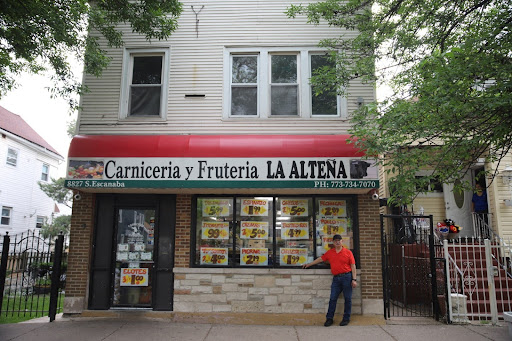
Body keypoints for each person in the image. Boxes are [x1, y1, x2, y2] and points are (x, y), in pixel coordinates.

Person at [302, 234, 357, 327]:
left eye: (339, 240)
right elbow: (320, 259)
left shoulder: (348, 252)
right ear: (333, 242)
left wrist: (354, 279)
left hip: (347, 277)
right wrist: (309, 264)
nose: (337, 242)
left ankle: (346, 318)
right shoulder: (330, 252)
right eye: (336, 240)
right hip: (336, 279)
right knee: (332, 299)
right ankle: (329, 319)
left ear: (342, 241)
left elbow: (353, 266)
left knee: (347, 299)